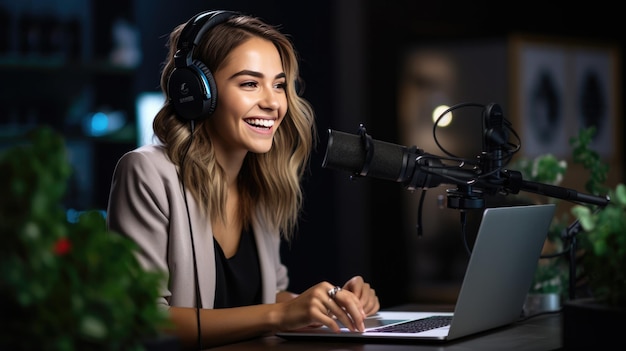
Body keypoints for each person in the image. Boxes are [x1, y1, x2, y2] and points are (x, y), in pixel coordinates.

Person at [106, 9, 379, 349]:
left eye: (279, 85)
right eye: (250, 83)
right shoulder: (147, 172)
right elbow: (143, 320)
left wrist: (329, 303)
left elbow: (264, 298)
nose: (273, 103)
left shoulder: (260, 179)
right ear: (197, 91)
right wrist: (282, 315)